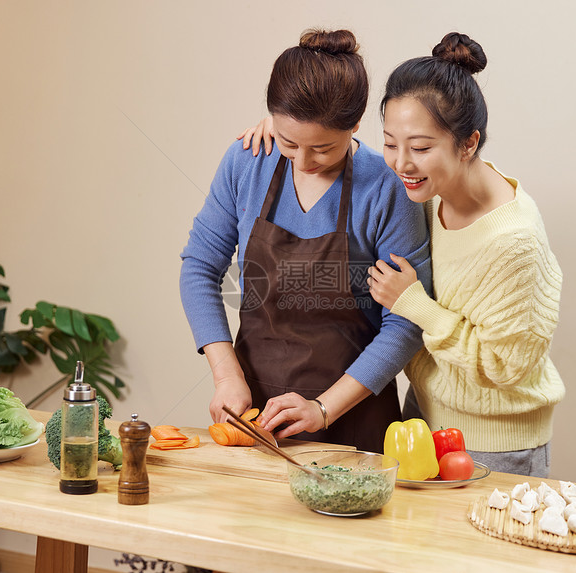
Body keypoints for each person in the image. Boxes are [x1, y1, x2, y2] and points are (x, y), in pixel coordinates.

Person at [180, 29, 431, 453]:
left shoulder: (386, 187)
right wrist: (226, 377)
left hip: (355, 424)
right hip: (252, 417)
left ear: (354, 125)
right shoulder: (247, 161)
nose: (302, 161)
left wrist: (323, 408)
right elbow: (199, 267)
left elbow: (406, 321)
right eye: (288, 141)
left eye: (323, 148)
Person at [366, 32, 565, 477]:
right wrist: (275, 134)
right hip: (421, 419)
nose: (400, 163)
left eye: (420, 148)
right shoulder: (427, 192)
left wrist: (414, 304)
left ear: (469, 143)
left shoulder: (513, 241)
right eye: (390, 143)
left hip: (494, 442)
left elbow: (505, 365)